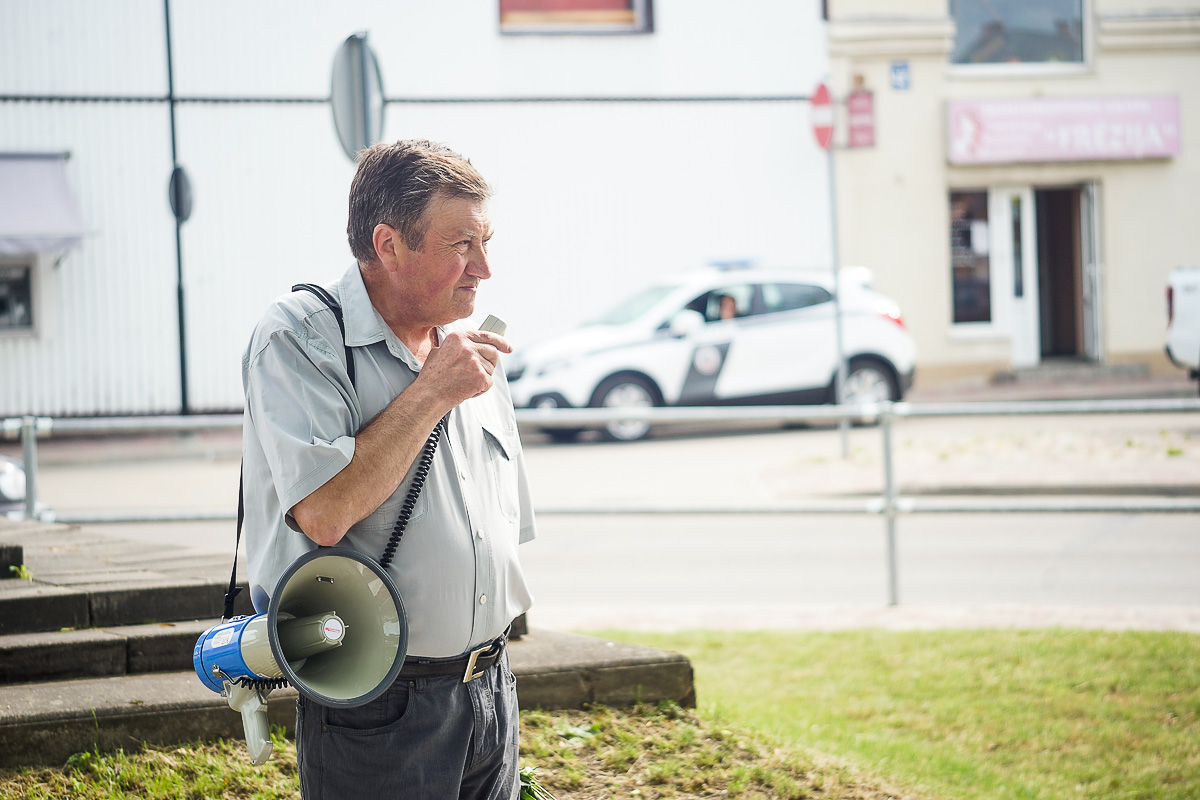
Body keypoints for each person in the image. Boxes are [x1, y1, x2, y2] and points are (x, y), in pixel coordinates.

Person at [241, 139, 536, 799]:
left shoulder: (466, 351)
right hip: (379, 706)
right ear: (389, 244)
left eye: (487, 241)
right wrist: (431, 393)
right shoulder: (299, 339)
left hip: (490, 689)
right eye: (462, 245)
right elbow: (322, 511)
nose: (484, 268)